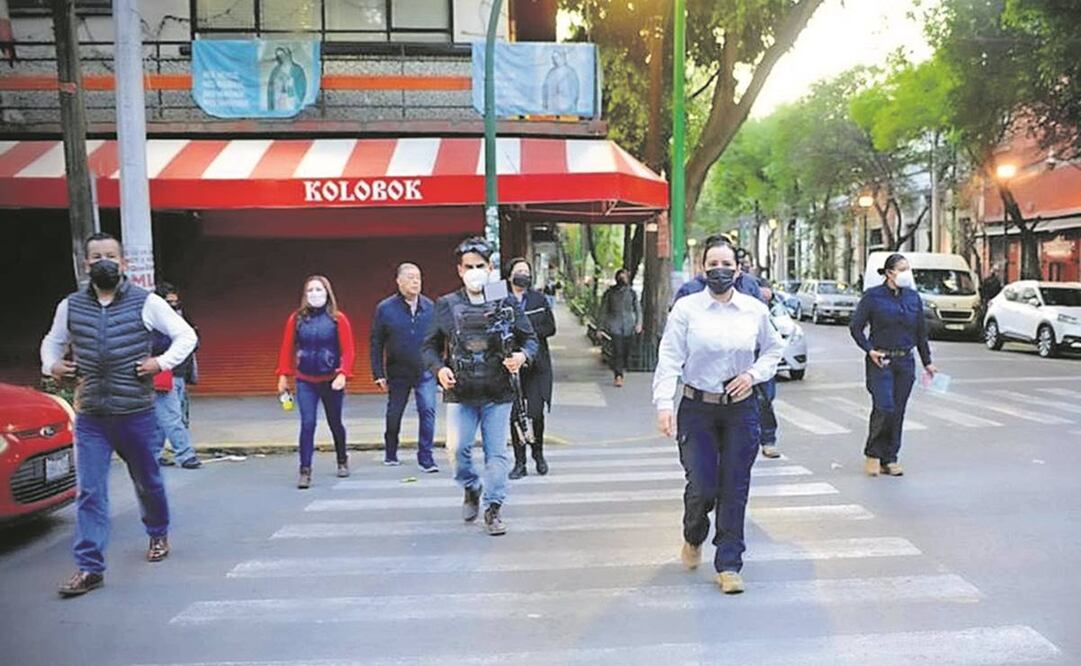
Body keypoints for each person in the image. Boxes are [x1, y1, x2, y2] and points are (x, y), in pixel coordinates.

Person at [40, 232, 197, 598]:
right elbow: (52, 340)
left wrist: (160, 362)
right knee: (90, 491)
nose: (103, 261)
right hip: (92, 414)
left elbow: (186, 336)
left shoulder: (147, 302)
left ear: (123, 264)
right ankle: (89, 566)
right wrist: (52, 365)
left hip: (136, 412)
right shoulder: (71, 306)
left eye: (110, 255)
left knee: (149, 482)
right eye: (96, 256)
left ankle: (158, 533)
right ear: (86, 265)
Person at [653, 236, 784, 595]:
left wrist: (752, 375)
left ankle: (729, 563)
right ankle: (694, 534)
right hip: (697, 409)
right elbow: (669, 358)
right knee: (703, 485)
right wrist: (665, 404)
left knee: (734, 486)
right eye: (713, 264)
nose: (720, 270)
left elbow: (774, 349)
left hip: (740, 409)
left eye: (727, 264)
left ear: (737, 269)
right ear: (703, 268)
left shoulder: (753, 310)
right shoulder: (687, 309)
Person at [422, 237, 538, 536]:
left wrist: (521, 356)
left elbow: (530, 338)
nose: (475, 271)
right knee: (457, 450)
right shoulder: (447, 304)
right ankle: (471, 487)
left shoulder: (504, 298)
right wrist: (440, 368)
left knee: (496, 454)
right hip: (461, 393)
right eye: (469, 266)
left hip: (498, 393)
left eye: (480, 266)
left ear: (490, 268)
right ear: (459, 270)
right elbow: (429, 347)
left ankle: (493, 507)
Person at [849, 253, 938, 477]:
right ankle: (873, 454)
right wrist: (870, 350)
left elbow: (921, 332)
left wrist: (928, 362)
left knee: (898, 410)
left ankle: (890, 457)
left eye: (908, 269)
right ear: (890, 273)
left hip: (905, 361)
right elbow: (856, 327)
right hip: (881, 360)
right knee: (884, 406)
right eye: (902, 269)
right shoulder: (873, 297)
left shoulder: (913, 298)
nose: (907, 274)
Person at [276, 275, 355, 489]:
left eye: (319, 290)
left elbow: (348, 350)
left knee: (335, 422)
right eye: (310, 290)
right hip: (305, 380)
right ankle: (305, 470)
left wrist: (343, 374)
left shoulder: (338, 319)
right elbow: (286, 348)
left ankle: (342, 459)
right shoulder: (297, 319)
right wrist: (283, 375)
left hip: (331, 380)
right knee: (308, 423)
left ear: (327, 293)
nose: (314, 294)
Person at [370, 263, 438, 472]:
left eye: (418, 277)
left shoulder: (429, 307)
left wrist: (440, 367)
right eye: (410, 277)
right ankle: (391, 451)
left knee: (428, 410)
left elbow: (439, 340)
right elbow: (376, 342)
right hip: (397, 370)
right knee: (394, 413)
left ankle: (426, 457)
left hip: (425, 369)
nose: (415, 281)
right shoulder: (385, 308)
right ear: (399, 281)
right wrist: (378, 373)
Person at [506, 257, 557, 479]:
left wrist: (528, 334)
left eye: (526, 271)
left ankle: (538, 453)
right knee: (516, 415)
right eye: (519, 271)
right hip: (510, 366)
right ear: (509, 275)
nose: (523, 275)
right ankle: (519, 462)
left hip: (537, 363)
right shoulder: (499, 296)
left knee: (535, 413)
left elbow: (550, 327)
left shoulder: (538, 298)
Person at [150, 282, 201, 469]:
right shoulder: (154, 321)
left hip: (179, 373)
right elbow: (159, 345)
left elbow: (194, 340)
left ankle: (153, 454)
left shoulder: (180, 317)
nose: (174, 306)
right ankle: (186, 455)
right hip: (164, 373)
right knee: (172, 416)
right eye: (169, 302)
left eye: (176, 302)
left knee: (161, 417)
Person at [599, 268, 642, 387]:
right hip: (614, 326)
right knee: (617, 351)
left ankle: (621, 369)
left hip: (629, 326)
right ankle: (618, 376)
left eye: (624, 277)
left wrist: (639, 323)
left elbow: (638, 309)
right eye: (620, 277)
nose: (622, 279)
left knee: (626, 351)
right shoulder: (610, 293)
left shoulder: (632, 293)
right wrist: (600, 328)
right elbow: (603, 310)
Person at [755, 277, 782, 460]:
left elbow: (774, 343)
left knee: (765, 399)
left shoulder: (752, 284)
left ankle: (768, 440)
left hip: (758, 353)